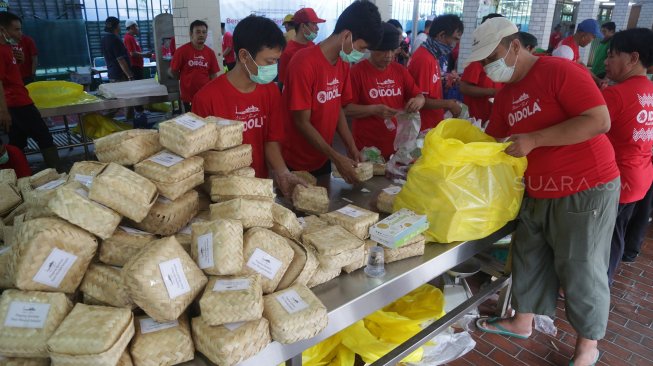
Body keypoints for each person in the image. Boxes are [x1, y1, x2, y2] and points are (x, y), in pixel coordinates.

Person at [467, 17, 620, 366]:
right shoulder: (506, 94)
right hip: (538, 188)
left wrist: (535, 139)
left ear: (515, 46)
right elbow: (494, 140)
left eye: (492, 57)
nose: (488, 67)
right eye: (483, 61)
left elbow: (599, 120)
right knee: (530, 257)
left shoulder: (560, 72)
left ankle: (587, 346)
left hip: (585, 186)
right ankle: (522, 322)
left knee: (581, 268)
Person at [192, 16, 306, 197]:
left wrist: (283, 172)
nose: (274, 67)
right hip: (223, 193)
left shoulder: (271, 92)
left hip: (259, 187)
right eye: (269, 62)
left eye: (277, 61)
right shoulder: (205, 99)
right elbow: (198, 157)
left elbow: (271, 141)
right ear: (244, 55)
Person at [282, 0, 383, 184]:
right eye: (361, 48)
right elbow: (301, 121)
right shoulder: (303, 63)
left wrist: (351, 147)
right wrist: (337, 158)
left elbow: (336, 108)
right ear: (346, 36)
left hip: (323, 155)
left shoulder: (342, 63)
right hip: (296, 160)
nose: (361, 54)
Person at [602, 28, 653, 284]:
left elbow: (583, 130)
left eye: (612, 55)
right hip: (641, 175)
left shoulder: (616, 95)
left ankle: (597, 284)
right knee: (617, 232)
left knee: (604, 236)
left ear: (633, 58)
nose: (606, 61)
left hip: (617, 179)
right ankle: (604, 280)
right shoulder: (650, 90)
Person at [344, 22, 425, 159]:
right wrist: (374, 110)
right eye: (383, 50)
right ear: (371, 48)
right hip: (367, 148)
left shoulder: (400, 71)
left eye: (392, 50)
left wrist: (418, 100)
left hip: (397, 148)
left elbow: (419, 96)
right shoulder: (356, 73)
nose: (388, 55)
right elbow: (346, 109)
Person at [0, 12, 59, 170]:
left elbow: (9, 76)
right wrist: (3, 111)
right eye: (16, 30)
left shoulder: (8, 48)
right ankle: (58, 174)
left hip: (16, 101)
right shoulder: (1, 50)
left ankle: (17, 174)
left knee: (17, 140)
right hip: (17, 103)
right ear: (2, 30)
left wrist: (18, 62)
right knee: (44, 137)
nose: (20, 33)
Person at [407, 14, 462, 130]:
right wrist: (448, 104)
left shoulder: (433, 56)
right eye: (455, 39)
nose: (456, 44)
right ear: (441, 35)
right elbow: (420, 101)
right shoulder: (424, 59)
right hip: (424, 127)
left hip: (432, 125)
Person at [460, 13, 504, 124]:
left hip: (493, 115)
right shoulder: (478, 58)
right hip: (476, 118)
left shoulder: (501, 56)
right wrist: (493, 92)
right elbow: (464, 88)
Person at [170, 20, 219, 112]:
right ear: (191, 34)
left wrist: (215, 93)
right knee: (191, 123)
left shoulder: (210, 53)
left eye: (204, 32)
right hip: (188, 97)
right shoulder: (181, 51)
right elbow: (174, 71)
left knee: (205, 122)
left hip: (205, 96)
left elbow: (213, 75)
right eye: (198, 32)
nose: (201, 35)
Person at [278, 8, 325, 86]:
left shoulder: (313, 46)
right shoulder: (288, 52)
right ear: (303, 26)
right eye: (314, 24)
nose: (317, 28)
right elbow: (282, 83)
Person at [123, 19, 147, 126]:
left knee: (140, 89)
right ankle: (139, 111)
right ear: (132, 27)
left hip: (138, 66)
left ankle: (140, 110)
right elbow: (132, 53)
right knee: (137, 90)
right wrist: (145, 55)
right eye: (136, 26)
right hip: (135, 67)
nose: (138, 28)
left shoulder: (132, 38)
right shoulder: (129, 38)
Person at [100, 16, 134, 82]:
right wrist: (130, 76)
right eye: (119, 25)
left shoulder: (103, 39)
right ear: (116, 26)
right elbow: (120, 60)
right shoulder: (115, 39)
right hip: (120, 76)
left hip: (112, 74)